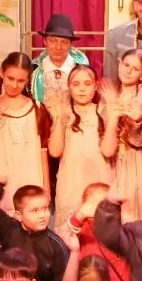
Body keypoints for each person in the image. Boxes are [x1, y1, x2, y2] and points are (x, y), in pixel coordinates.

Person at [0, 52, 51, 211]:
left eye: (21, 80)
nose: (14, 85)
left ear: (28, 80)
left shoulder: (37, 108)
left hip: (31, 185)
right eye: (10, 78)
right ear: (2, 72)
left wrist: (46, 188)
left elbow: (43, 151)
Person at [48, 65, 117, 226]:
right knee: (70, 233)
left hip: (99, 183)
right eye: (76, 84)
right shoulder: (64, 113)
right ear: (69, 87)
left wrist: (112, 113)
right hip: (70, 185)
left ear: (96, 86)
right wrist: (59, 119)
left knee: (98, 234)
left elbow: (108, 151)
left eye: (87, 83)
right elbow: (55, 151)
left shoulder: (103, 112)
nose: (82, 89)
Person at [100, 49, 142, 223]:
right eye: (126, 65)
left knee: (134, 211)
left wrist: (139, 116)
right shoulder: (109, 94)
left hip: (137, 159)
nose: (128, 71)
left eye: (135, 69)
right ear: (119, 65)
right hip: (111, 159)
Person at [63, 184, 133, 281]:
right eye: (96, 204)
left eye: (107, 204)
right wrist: (79, 216)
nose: (102, 209)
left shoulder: (123, 229)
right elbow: (61, 237)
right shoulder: (79, 229)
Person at [31, 13, 91, 106]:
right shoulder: (34, 70)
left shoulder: (82, 69)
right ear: (44, 41)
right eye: (53, 40)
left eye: (64, 42)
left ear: (70, 44)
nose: (58, 47)